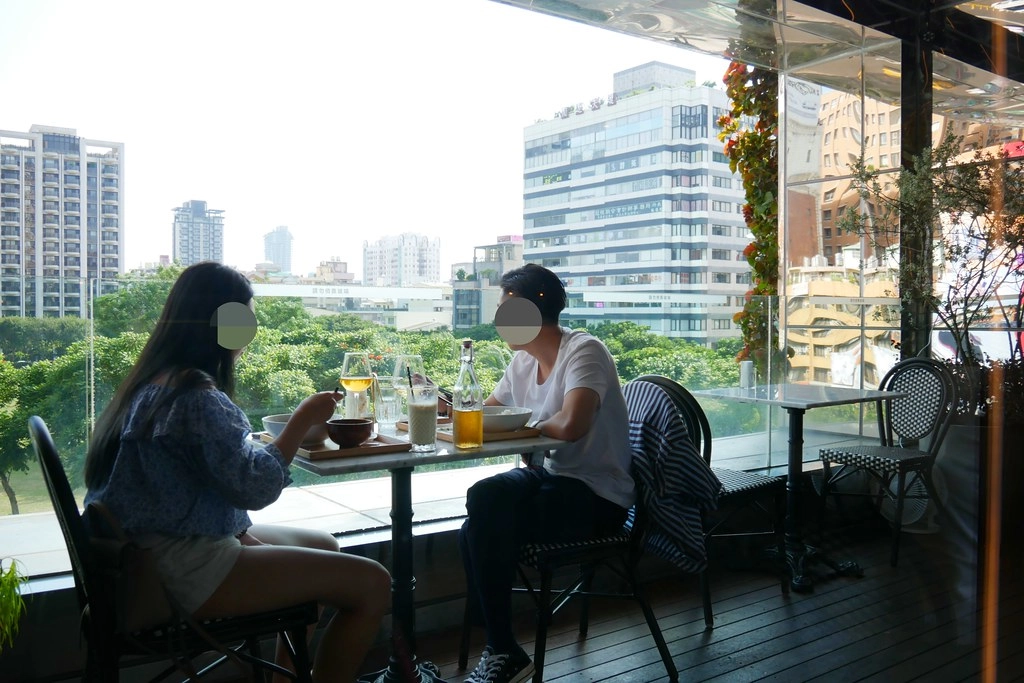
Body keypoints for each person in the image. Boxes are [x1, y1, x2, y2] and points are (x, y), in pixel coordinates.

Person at [84, 261, 391, 683]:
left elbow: (191, 481)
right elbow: (254, 488)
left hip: (147, 553)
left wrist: (238, 528)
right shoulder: (196, 397)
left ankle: (287, 678)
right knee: (373, 583)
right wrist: (304, 418)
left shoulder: (151, 382)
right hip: (182, 567)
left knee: (324, 544)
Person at [458, 264, 635, 683]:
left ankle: (501, 648)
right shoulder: (522, 362)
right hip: (550, 479)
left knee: (476, 529)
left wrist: (527, 425)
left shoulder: (584, 351)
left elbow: (572, 424)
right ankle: (502, 648)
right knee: (482, 499)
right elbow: (485, 413)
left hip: (597, 495)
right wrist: (440, 402)